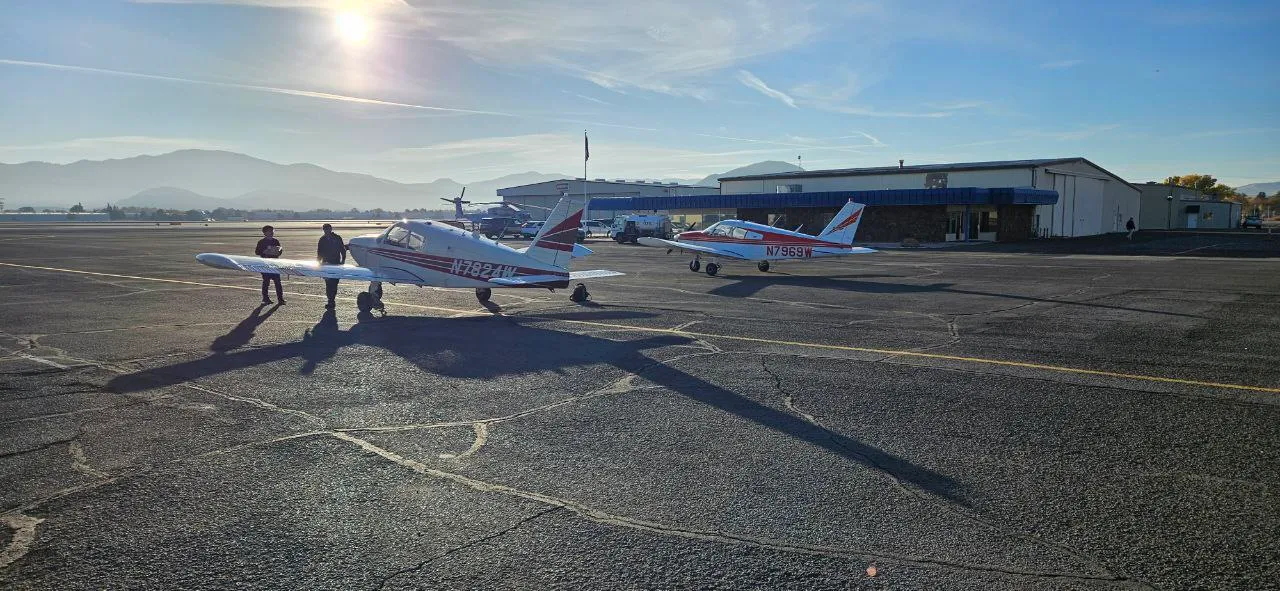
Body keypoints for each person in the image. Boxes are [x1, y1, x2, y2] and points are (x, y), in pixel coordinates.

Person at [317, 223, 346, 309]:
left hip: (336, 264)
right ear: (323, 230)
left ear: (331, 229)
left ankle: (331, 300)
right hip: (326, 264)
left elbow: (343, 250)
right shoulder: (322, 240)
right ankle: (331, 301)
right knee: (328, 284)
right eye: (325, 229)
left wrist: (343, 261)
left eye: (328, 229)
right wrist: (318, 263)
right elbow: (319, 253)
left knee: (334, 283)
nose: (327, 231)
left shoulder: (337, 238)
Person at [254, 225, 285, 305]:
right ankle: (265, 298)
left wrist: (278, 251)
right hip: (265, 264)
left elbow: (280, 250)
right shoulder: (261, 242)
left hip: (275, 264)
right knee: (266, 282)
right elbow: (257, 252)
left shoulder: (275, 241)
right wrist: (265, 251)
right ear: (265, 233)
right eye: (269, 231)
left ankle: (280, 299)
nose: (271, 233)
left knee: (278, 282)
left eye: (272, 231)